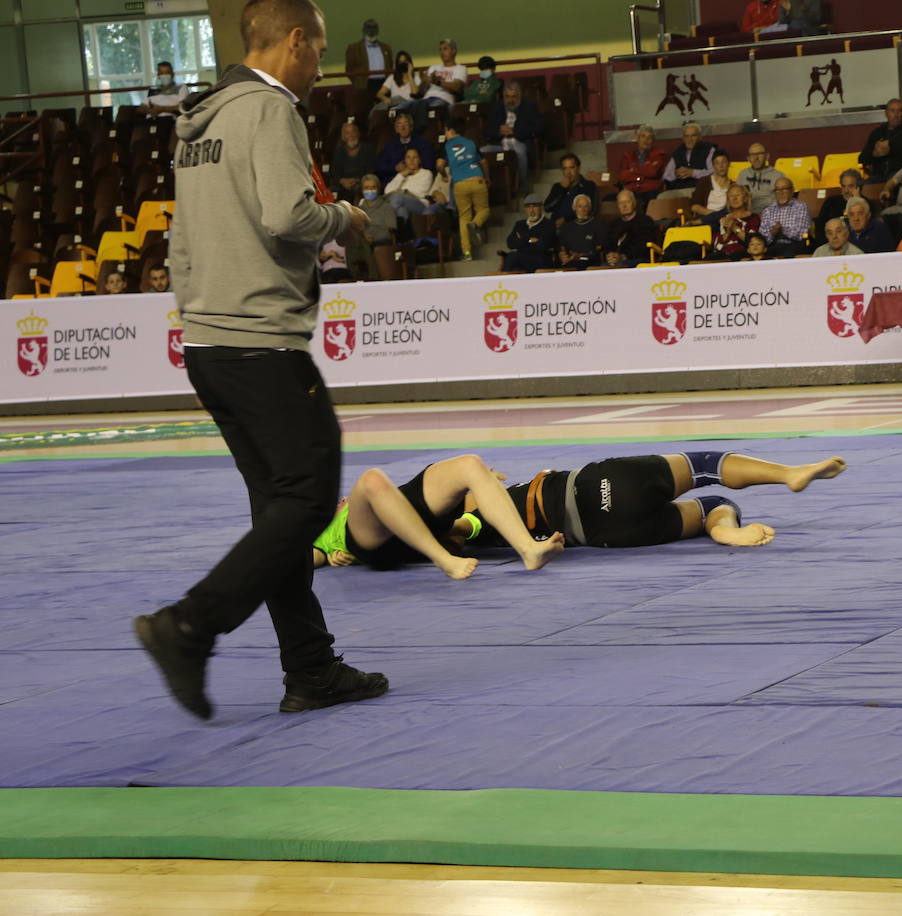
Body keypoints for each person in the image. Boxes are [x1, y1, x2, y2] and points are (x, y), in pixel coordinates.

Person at [138, 0, 381, 721]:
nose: (321, 67)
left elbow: (181, 242)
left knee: (278, 507)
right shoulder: (271, 112)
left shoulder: (201, 121)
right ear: (295, 42)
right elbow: (288, 216)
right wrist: (348, 220)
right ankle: (190, 625)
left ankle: (310, 670)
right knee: (307, 500)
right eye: (320, 50)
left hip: (210, 342)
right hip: (262, 341)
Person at [319, 452, 846, 569]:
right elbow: (466, 518)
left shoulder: (474, 521)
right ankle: (782, 476)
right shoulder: (474, 511)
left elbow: (466, 522)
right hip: (594, 490)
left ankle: (724, 528)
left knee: (705, 504)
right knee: (707, 474)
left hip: (607, 533)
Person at [311, 455, 564, 575]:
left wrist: (484, 483)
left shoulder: (346, 503)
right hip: (373, 540)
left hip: (405, 510)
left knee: (470, 465)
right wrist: (340, 556)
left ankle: (529, 550)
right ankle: (442, 559)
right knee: (371, 480)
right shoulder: (316, 534)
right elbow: (295, 559)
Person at [442, 118, 489, 261]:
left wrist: (443, 174)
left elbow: (439, 164)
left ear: (450, 131)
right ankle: (475, 224)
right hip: (477, 180)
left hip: (460, 184)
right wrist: (487, 177)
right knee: (484, 210)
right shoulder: (471, 143)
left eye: (445, 131)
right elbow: (484, 161)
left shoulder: (446, 146)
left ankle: (467, 253)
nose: (445, 134)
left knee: (463, 218)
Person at [482, 80, 543, 189]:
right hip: (500, 144)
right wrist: (499, 131)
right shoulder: (498, 107)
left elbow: (539, 128)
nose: (510, 100)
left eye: (514, 97)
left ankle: (523, 186)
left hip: (520, 142)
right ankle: (484, 185)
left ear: (519, 96)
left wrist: (514, 131)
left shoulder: (529, 106)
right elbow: (486, 129)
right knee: (481, 152)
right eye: (507, 97)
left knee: (520, 152)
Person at [859, 99, 902, 184]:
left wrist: (891, 148)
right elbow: (861, 158)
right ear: (886, 113)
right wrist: (874, 153)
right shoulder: (877, 132)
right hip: (878, 175)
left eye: (899, 111)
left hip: (901, 175)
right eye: (892, 111)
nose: (896, 115)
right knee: (860, 186)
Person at [605, 189, 660, 267]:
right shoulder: (613, 223)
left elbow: (644, 245)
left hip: (638, 259)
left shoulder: (645, 221)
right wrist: (610, 255)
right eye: (621, 203)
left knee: (620, 266)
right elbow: (608, 243)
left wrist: (624, 256)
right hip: (616, 261)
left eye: (627, 202)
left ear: (634, 203)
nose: (624, 206)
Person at [502, 193, 556, 272]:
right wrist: (528, 239)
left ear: (541, 207)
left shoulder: (548, 224)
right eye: (528, 207)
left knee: (512, 257)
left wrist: (521, 241)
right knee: (514, 268)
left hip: (540, 260)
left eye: (534, 206)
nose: (531, 210)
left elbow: (542, 246)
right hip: (521, 260)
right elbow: (510, 243)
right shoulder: (520, 224)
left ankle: (503, 281)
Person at [616, 124, 669, 202]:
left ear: (653, 141)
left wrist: (632, 170)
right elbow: (622, 176)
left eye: (649, 137)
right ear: (637, 138)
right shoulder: (628, 155)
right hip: (631, 191)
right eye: (643, 136)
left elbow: (652, 172)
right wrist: (640, 177)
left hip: (650, 191)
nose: (646, 140)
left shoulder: (659, 154)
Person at [383, 148, 441, 220]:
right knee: (401, 210)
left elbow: (419, 193)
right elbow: (387, 191)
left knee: (396, 197)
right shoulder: (402, 175)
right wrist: (401, 174)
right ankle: (403, 230)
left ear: (419, 160)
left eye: (415, 157)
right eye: (408, 157)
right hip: (402, 203)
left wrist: (400, 192)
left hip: (420, 204)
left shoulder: (426, 173)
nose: (411, 160)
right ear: (404, 160)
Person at [758, 176, 810, 257]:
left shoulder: (801, 207)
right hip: (773, 245)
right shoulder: (768, 210)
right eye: (777, 190)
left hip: (794, 245)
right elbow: (762, 238)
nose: (781, 192)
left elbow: (802, 234)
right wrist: (772, 233)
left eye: (784, 189)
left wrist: (782, 230)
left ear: (792, 191)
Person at [661, 122, 716, 195]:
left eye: (693, 136)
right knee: (662, 197)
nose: (689, 139)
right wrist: (675, 173)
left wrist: (693, 173)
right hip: (679, 190)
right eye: (686, 136)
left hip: (700, 189)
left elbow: (714, 173)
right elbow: (666, 176)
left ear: (700, 137)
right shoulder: (678, 152)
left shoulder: (709, 149)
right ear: (683, 138)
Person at [376, 112, 435, 178]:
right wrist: (394, 168)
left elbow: (429, 163)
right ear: (396, 129)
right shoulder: (390, 146)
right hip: (396, 179)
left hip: (417, 178)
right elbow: (380, 166)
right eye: (399, 124)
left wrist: (413, 167)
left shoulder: (422, 143)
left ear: (411, 127)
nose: (403, 128)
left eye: (406, 124)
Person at [556, 194, 606, 268]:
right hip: (569, 262)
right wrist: (562, 255)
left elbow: (599, 249)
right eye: (579, 206)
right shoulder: (566, 227)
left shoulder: (599, 225)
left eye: (585, 206)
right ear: (574, 208)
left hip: (590, 263)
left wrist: (580, 255)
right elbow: (561, 247)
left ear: (590, 208)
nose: (583, 210)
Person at [328, 120, 374, 202]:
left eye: (353, 131)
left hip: (360, 181)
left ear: (358, 133)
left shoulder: (367, 149)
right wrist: (342, 181)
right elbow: (334, 171)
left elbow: (370, 170)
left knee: (359, 188)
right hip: (342, 183)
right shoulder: (339, 151)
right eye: (347, 133)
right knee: (331, 190)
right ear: (343, 137)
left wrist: (356, 180)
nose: (351, 135)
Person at [709, 184, 758, 260]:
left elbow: (752, 242)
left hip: (743, 255)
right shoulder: (723, 219)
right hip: (723, 256)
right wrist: (727, 233)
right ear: (728, 200)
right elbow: (717, 246)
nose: (734, 199)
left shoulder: (754, 218)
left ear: (745, 198)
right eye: (731, 196)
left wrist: (734, 227)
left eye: (738, 195)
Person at [344, 18, 392, 94]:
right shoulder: (353, 48)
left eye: (374, 27)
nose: (371, 31)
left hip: (384, 84)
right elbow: (349, 69)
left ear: (378, 30)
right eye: (369, 27)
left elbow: (390, 65)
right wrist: (358, 82)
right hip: (364, 85)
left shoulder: (386, 48)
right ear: (363, 30)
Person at [737, 142, 786, 214]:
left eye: (760, 154)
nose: (756, 158)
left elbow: (784, 199)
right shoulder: (743, 174)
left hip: (771, 214)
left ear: (767, 156)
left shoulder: (778, 175)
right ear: (748, 158)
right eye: (752, 155)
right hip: (748, 214)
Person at [420, 38, 466, 112]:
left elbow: (457, 86)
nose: (442, 52)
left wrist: (438, 82)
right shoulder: (433, 67)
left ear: (454, 51)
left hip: (443, 100)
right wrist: (424, 82)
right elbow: (421, 92)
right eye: (440, 50)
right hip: (426, 99)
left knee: (427, 107)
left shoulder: (460, 68)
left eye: (445, 49)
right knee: (406, 107)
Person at [374, 50, 423, 118]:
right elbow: (379, 94)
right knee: (392, 101)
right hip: (395, 105)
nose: (403, 64)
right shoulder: (392, 78)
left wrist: (409, 74)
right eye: (400, 62)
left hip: (410, 107)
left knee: (405, 101)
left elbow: (415, 95)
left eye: (405, 62)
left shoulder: (415, 78)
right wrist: (385, 98)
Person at [691, 150, 735, 225]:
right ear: (713, 166)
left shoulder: (733, 186)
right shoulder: (704, 181)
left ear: (729, 164)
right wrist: (714, 215)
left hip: (725, 221)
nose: (721, 166)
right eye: (717, 163)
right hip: (705, 219)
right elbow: (694, 206)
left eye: (723, 162)